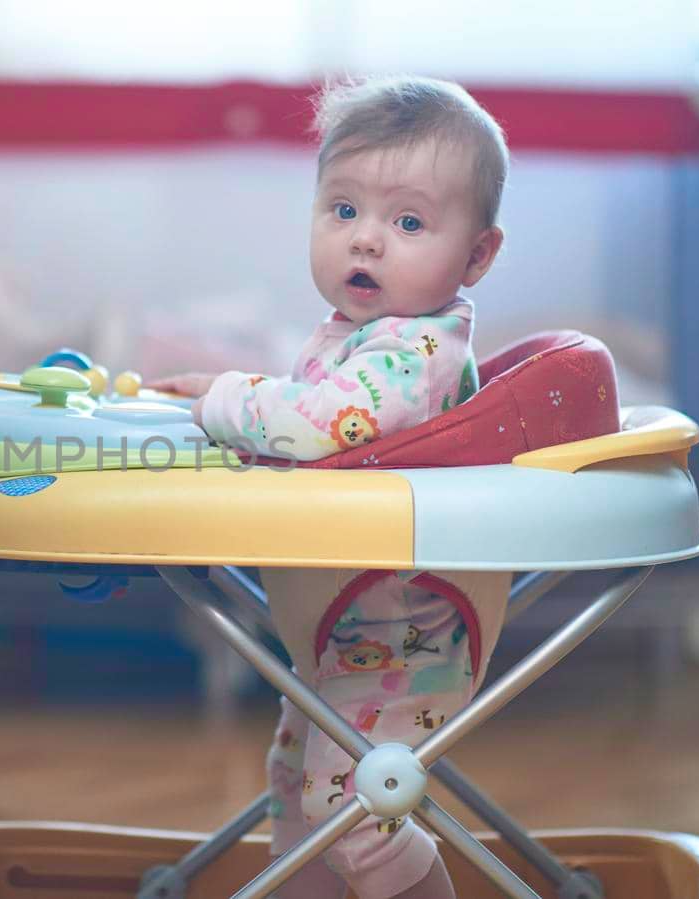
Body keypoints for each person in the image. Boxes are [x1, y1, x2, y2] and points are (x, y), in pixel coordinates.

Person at [148, 76, 511, 899]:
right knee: (299, 787)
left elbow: (321, 424)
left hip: (409, 623)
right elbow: (308, 412)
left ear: (477, 255)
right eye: (343, 210)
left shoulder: (418, 354)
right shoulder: (364, 338)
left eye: (408, 221)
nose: (367, 240)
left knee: (357, 808)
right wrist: (231, 390)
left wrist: (227, 400)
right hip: (347, 619)